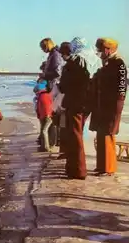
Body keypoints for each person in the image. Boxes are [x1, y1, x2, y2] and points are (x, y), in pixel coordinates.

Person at [89, 38, 128, 176]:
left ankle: (109, 168)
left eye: (100, 49)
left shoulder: (119, 63)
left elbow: (122, 87)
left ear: (108, 49)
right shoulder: (106, 64)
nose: (98, 52)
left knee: (108, 134)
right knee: (100, 134)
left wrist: (118, 105)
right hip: (101, 105)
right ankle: (101, 166)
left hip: (111, 105)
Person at [58, 40, 90, 179]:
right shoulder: (81, 63)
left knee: (74, 137)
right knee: (74, 136)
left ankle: (78, 170)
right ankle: (73, 169)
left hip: (74, 104)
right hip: (80, 104)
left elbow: (65, 86)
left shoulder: (70, 66)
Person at [39, 38, 65, 149]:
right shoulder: (53, 54)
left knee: (54, 114)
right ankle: (53, 140)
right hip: (53, 86)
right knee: (53, 115)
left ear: (47, 45)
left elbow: (57, 72)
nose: (42, 50)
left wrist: (44, 75)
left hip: (54, 86)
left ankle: (54, 140)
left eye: (43, 47)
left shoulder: (55, 55)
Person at [34, 80, 53, 152]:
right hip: (46, 115)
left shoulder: (41, 96)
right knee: (43, 131)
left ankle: (46, 147)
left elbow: (42, 107)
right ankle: (44, 146)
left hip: (46, 115)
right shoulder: (47, 95)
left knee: (44, 131)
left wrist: (45, 115)